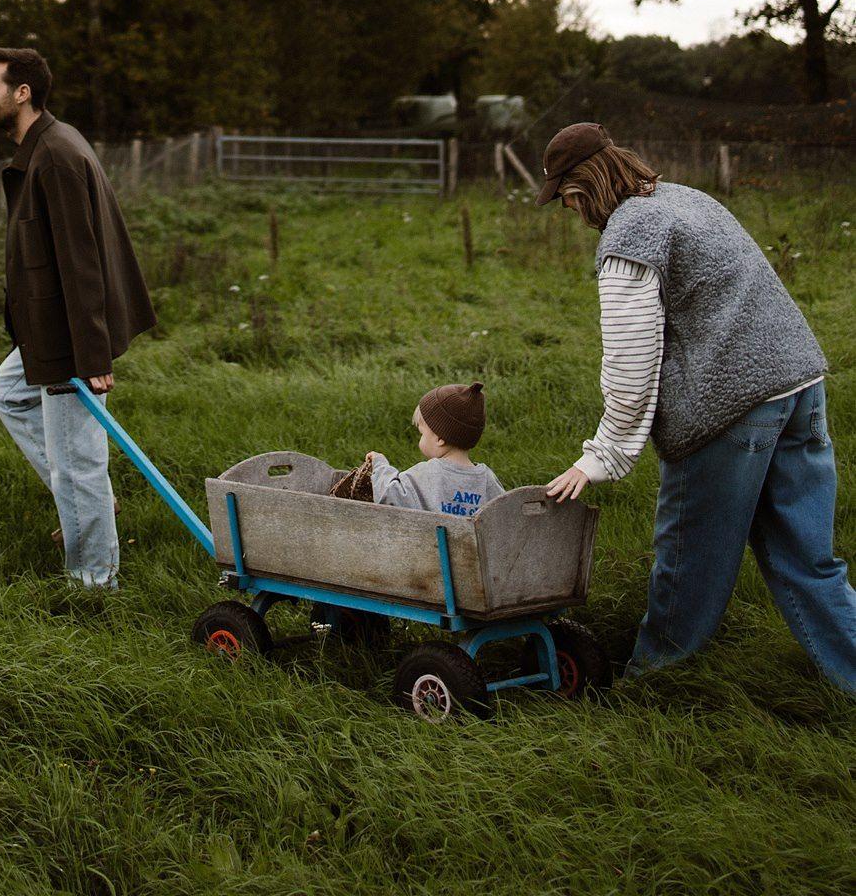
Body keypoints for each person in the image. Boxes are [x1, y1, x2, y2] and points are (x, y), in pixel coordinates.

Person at [543, 121, 856, 693]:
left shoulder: (629, 238)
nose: (571, 212)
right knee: (810, 564)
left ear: (582, 187)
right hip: (799, 384)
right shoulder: (687, 200)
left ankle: (652, 687)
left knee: (689, 568)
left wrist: (600, 457)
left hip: (729, 409)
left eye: (566, 198)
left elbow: (632, 365)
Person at [0, 47, 156, 591]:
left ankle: (94, 582)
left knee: (79, 462)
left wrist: (92, 355)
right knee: (8, 392)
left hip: (68, 333)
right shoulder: (48, 143)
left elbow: (81, 264)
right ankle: (83, 503)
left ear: (22, 93)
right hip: (49, 326)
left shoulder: (53, 154)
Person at [330, 381, 505, 516]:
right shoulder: (487, 479)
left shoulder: (426, 474)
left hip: (427, 558)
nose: (420, 439)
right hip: (477, 561)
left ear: (440, 439)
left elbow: (389, 496)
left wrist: (380, 465)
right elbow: (505, 514)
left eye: (422, 433)